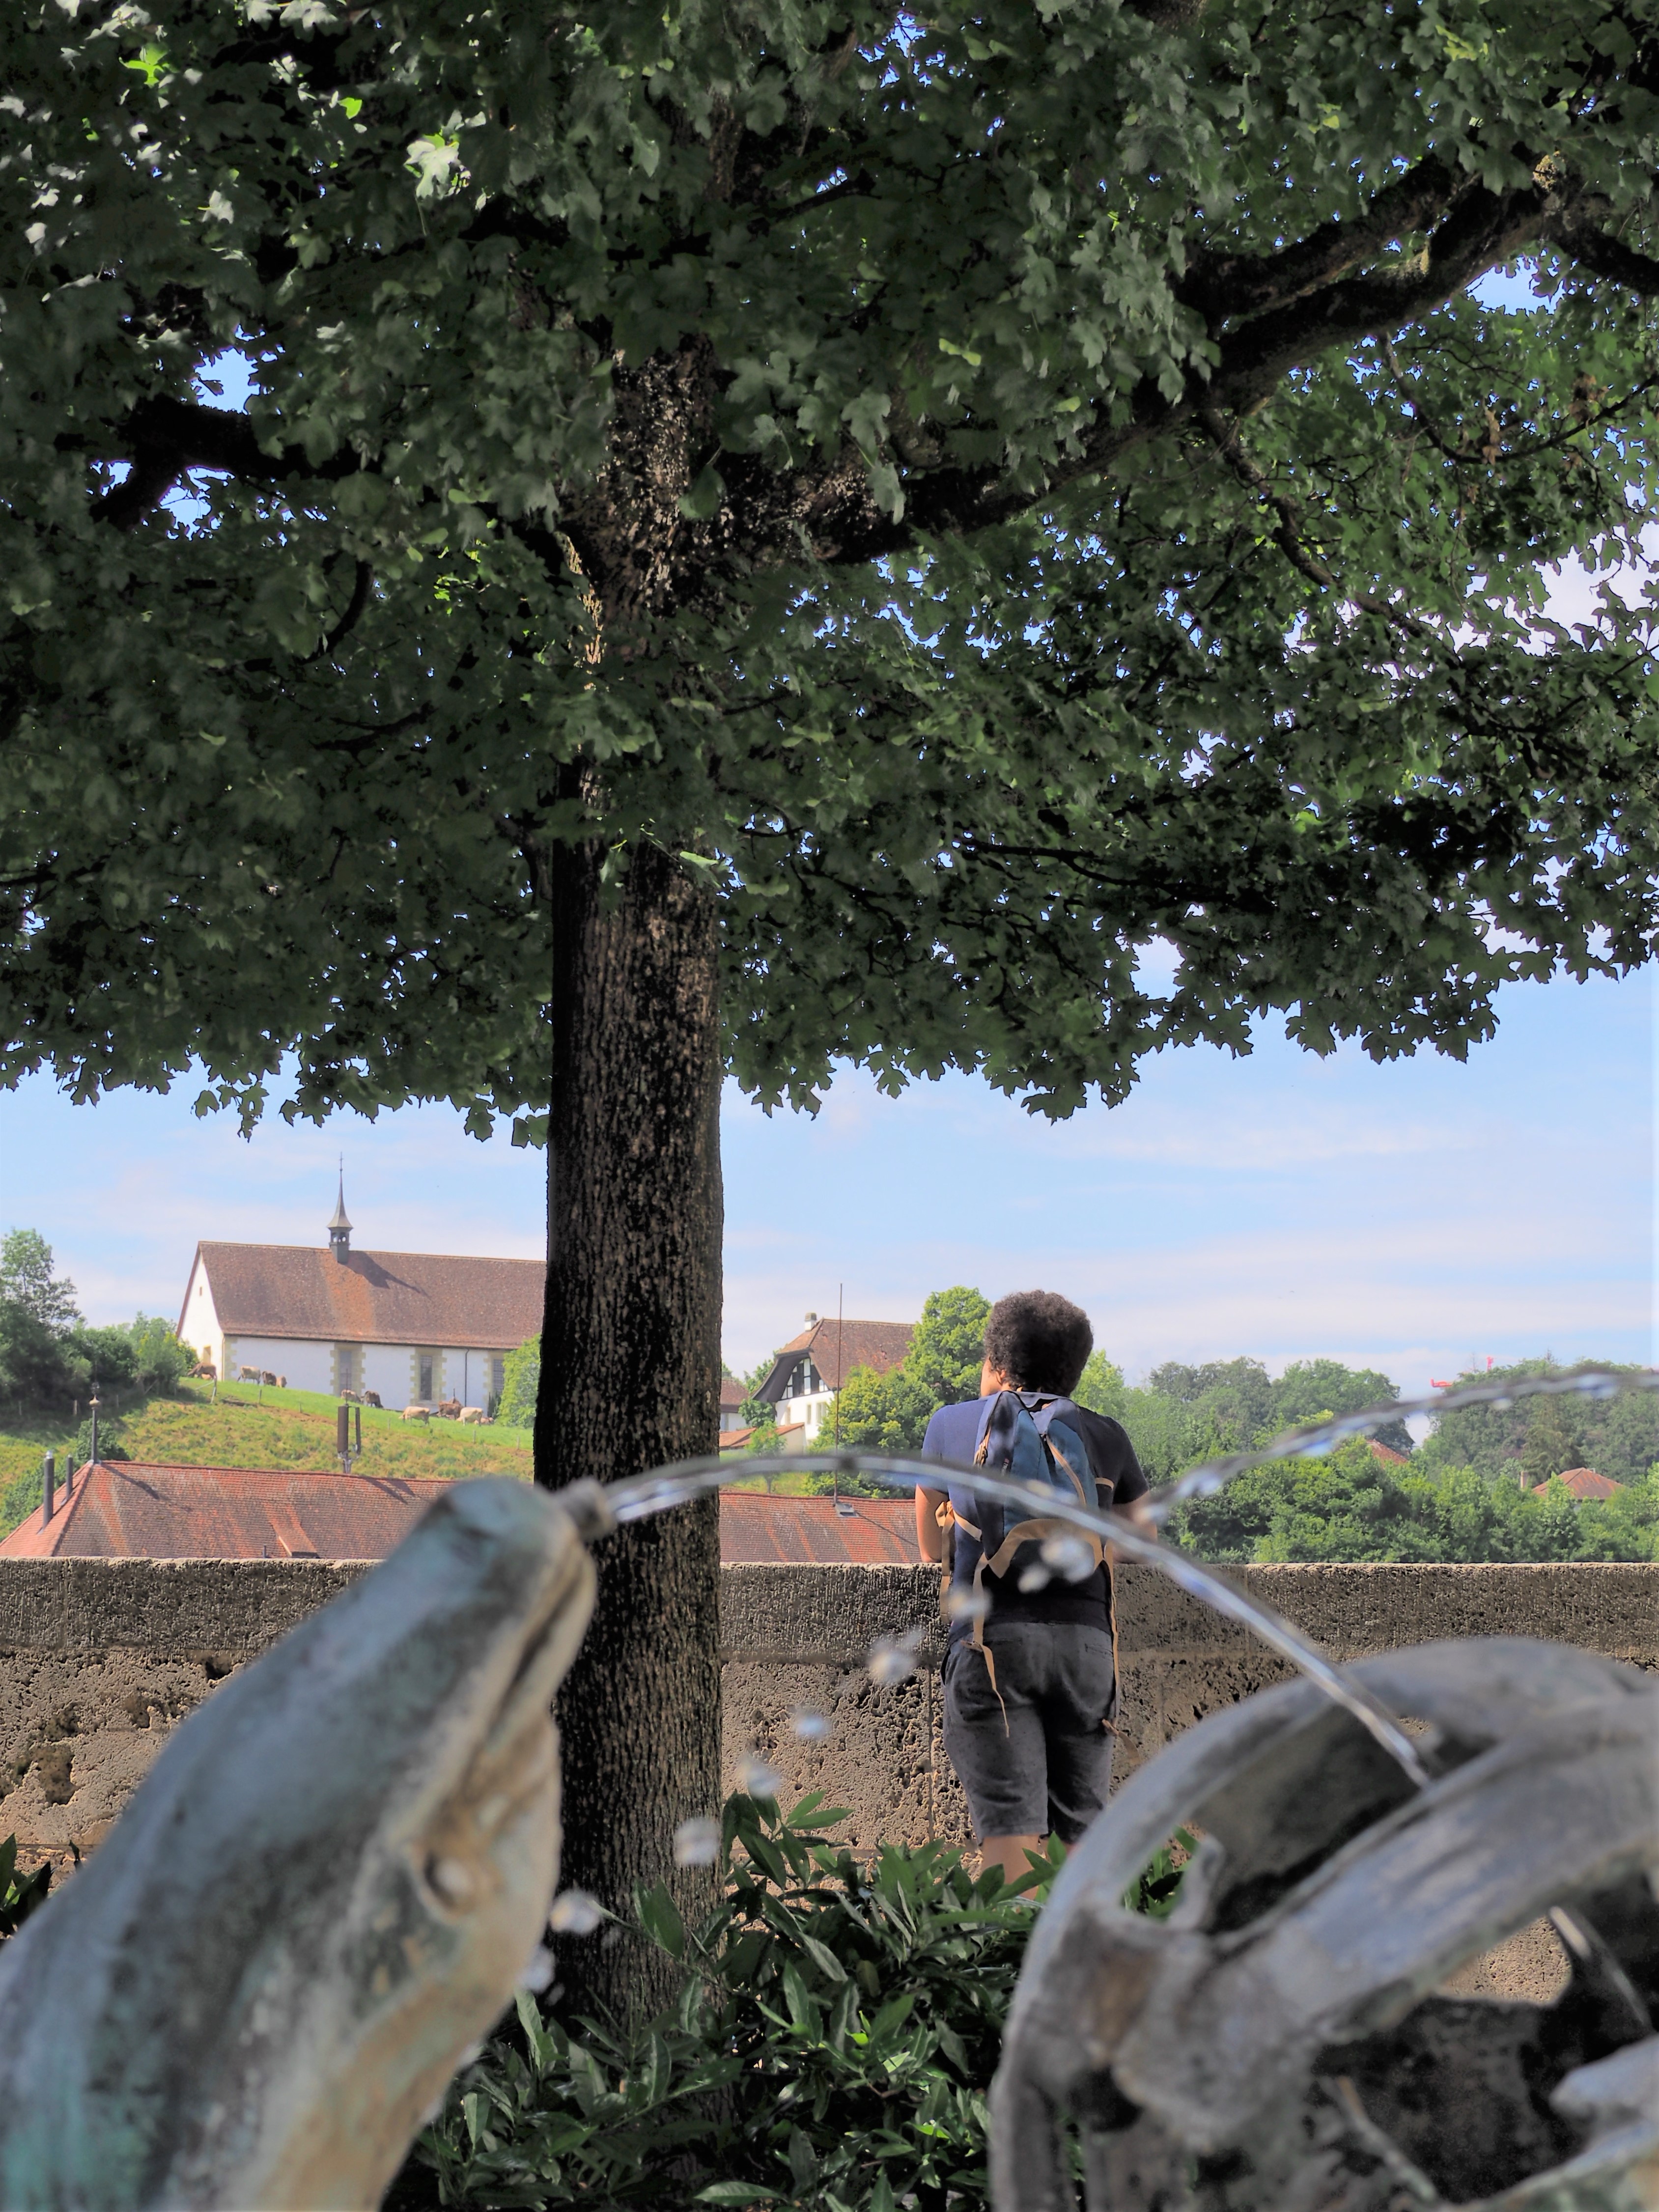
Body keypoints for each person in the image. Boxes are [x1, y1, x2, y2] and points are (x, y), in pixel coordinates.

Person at [915, 1289, 1150, 1891]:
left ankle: (1007, 1966)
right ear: (1075, 1370)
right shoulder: (1104, 1435)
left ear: (994, 1364)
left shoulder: (952, 1425)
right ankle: (1084, 1965)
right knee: (1082, 1828)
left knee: (1010, 1827)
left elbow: (926, 1544)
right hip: (1085, 1644)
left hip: (992, 1642)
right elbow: (1134, 1540)